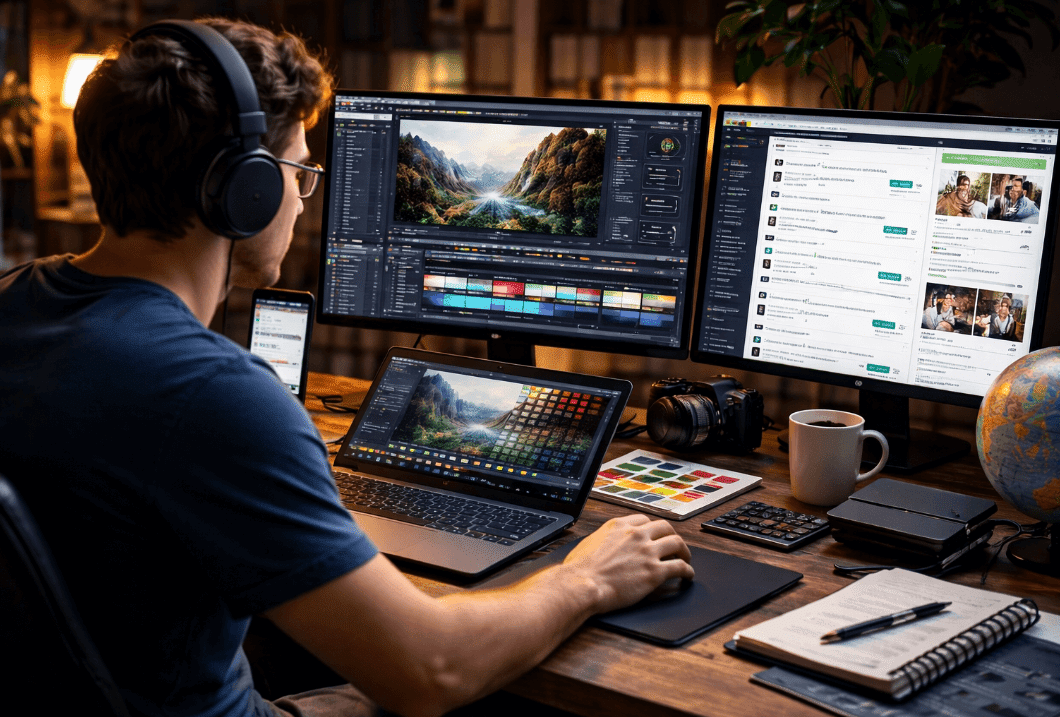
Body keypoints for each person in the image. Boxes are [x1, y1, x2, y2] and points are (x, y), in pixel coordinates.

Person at [0, 17, 692, 717]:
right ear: (247, 191)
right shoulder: (216, 395)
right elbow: (433, 668)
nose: (306, 199)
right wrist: (587, 580)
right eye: (301, 174)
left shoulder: (14, 305)